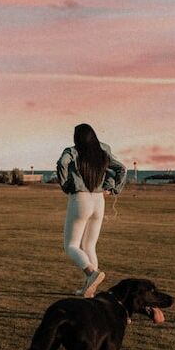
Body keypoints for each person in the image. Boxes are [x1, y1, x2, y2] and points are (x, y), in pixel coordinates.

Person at [57, 123, 126, 298]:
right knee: (89, 246)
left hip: (80, 198)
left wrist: (66, 185)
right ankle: (90, 289)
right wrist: (114, 188)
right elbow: (121, 168)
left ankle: (91, 274)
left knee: (71, 245)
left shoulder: (72, 151)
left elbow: (62, 163)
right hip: (98, 200)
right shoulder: (103, 150)